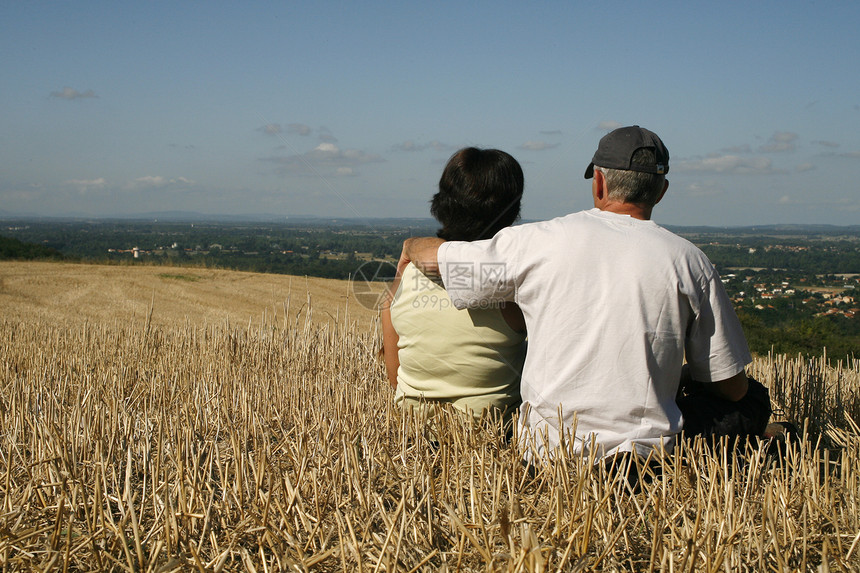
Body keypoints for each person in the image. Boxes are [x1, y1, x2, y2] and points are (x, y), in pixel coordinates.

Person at [397, 126, 771, 464]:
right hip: (647, 459)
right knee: (753, 398)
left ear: (599, 184)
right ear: (662, 190)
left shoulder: (534, 242)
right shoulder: (690, 261)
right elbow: (731, 387)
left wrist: (411, 245)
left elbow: (438, 259)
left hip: (546, 452)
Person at [381, 147, 527, 425]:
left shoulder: (406, 275)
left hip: (412, 431)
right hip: (494, 437)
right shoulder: (511, 285)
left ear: (442, 204)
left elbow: (394, 376)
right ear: (513, 210)